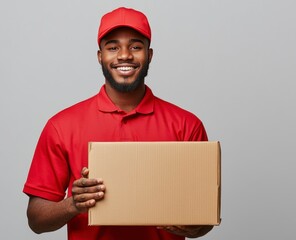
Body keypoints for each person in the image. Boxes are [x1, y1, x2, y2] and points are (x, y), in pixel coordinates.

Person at [23, 6, 214, 240]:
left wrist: (189, 224)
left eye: (135, 46)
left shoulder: (187, 125)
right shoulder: (61, 126)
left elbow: (204, 222)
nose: (125, 55)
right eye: (113, 47)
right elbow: (36, 220)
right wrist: (74, 204)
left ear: (150, 55)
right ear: (100, 56)